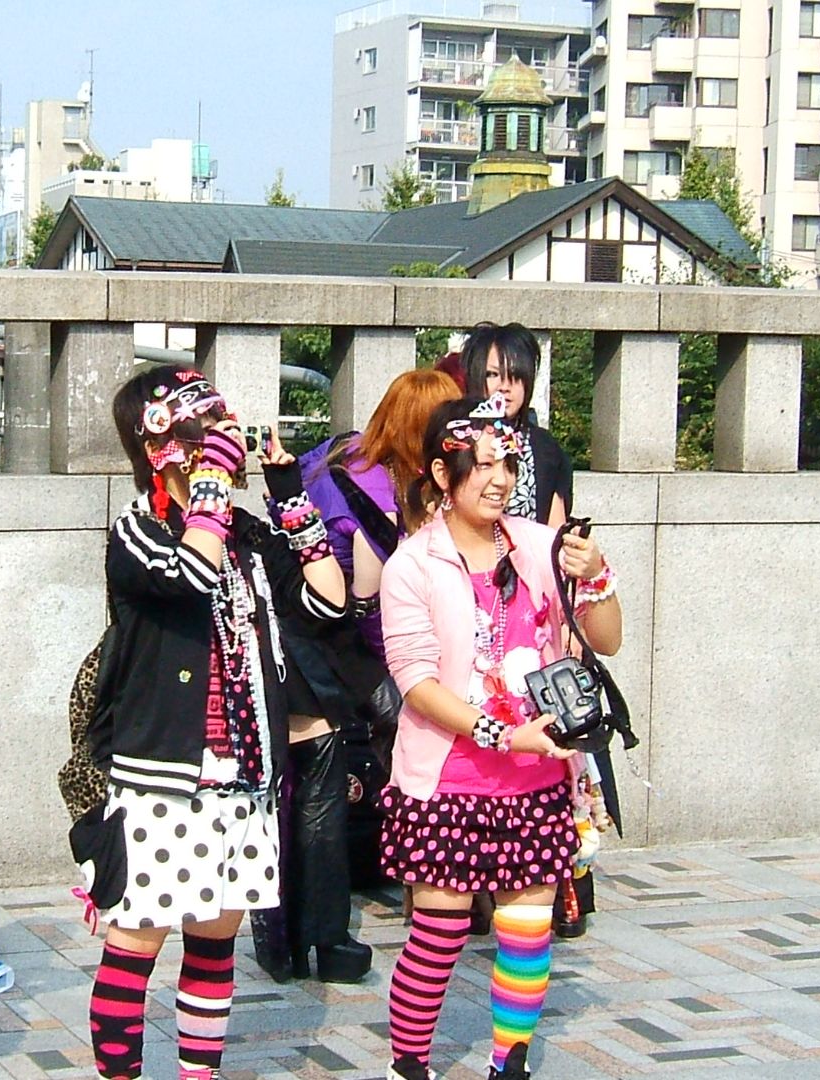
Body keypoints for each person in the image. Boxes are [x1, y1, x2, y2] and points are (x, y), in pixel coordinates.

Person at [82, 363, 346, 1080]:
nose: (222, 442)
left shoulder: (245, 536)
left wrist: (289, 497)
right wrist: (208, 494)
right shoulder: (135, 532)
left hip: (245, 773)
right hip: (163, 775)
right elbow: (188, 576)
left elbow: (327, 604)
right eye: (207, 430)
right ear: (161, 445)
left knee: (213, 942)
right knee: (136, 942)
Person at [378, 397, 620, 1080]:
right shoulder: (412, 566)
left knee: (526, 935)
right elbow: (417, 684)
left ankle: (507, 1065)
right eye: (482, 464)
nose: (500, 478)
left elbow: (608, 640)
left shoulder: (542, 547)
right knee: (438, 936)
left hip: (537, 779)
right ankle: (410, 1065)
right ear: (440, 472)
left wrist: (594, 575)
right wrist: (505, 734)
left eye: (507, 462)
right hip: (447, 780)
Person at [249, 370, 462, 985]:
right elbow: (367, 607)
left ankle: (292, 941)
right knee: (352, 766)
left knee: (299, 793)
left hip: (290, 634)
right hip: (322, 643)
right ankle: (400, 894)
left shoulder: (345, 449)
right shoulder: (373, 487)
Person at [459, 321, 607, 939]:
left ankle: (557, 892)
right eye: (491, 375)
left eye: (513, 375)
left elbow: (561, 538)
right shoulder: (455, 445)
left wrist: (571, 625)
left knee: (555, 749)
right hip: (470, 620)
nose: (503, 387)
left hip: (536, 620)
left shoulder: (546, 453)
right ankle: (467, 893)